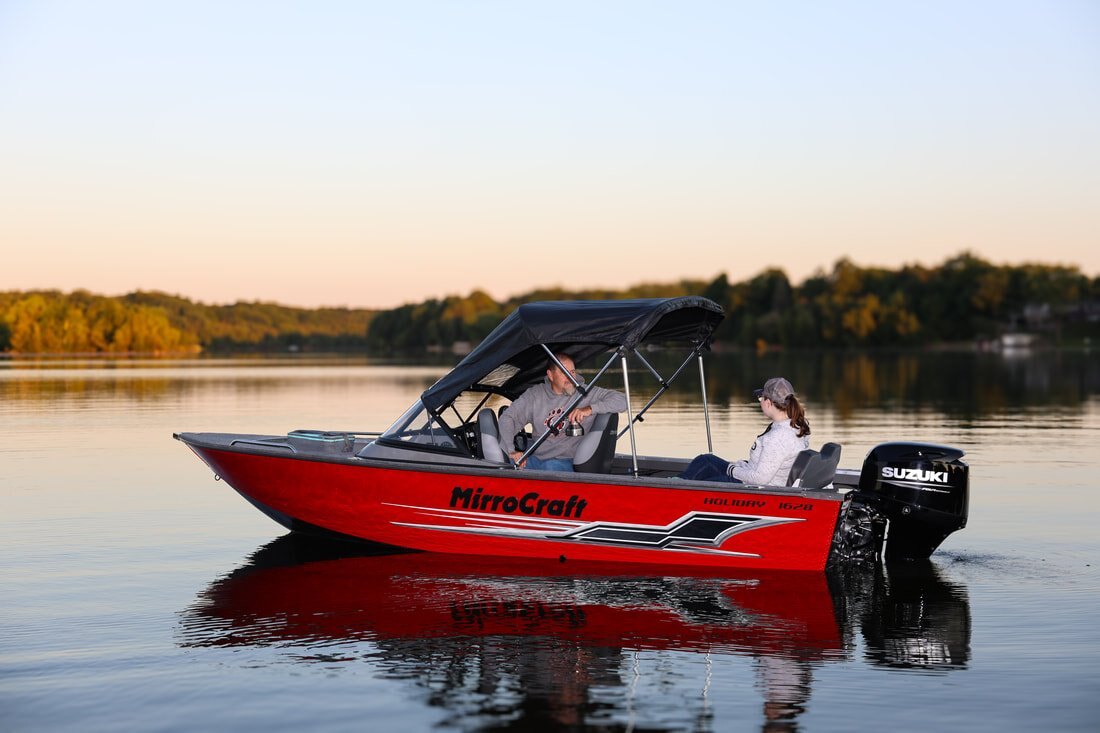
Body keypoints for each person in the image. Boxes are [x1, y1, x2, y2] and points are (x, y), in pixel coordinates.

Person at [498, 353, 628, 471]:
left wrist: (590, 409)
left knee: (550, 467)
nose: (570, 377)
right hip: (537, 460)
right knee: (504, 463)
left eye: (572, 371)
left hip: (569, 462)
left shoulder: (586, 393)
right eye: (564, 372)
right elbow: (508, 418)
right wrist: (511, 450)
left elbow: (623, 400)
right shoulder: (534, 395)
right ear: (550, 375)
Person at [679, 377, 810, 484]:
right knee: (706, 460)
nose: (760, 402)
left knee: (703, 484)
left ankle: (675, 490)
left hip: (752, 488)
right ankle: (676, 483)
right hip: (750, 476)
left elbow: (760, 479)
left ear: (769, 402)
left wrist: (732, 470)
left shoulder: (777, 438)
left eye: (761, 398)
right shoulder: (795, 425)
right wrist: (741, 466)